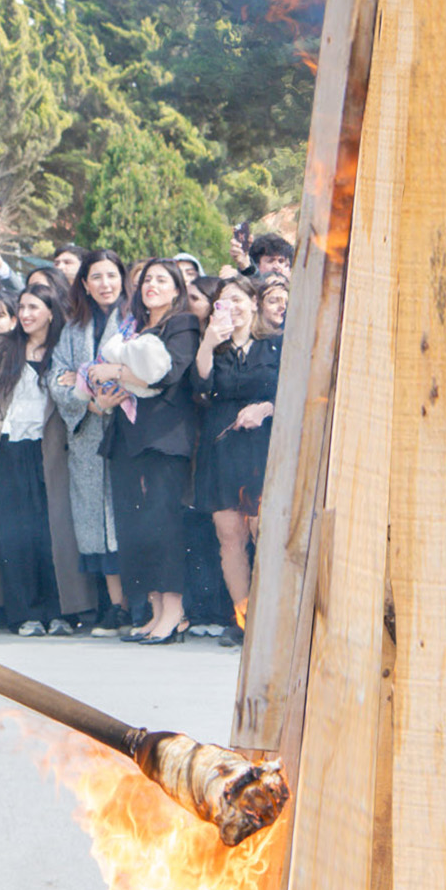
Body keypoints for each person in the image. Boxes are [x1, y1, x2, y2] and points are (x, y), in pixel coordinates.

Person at [0, 287, 95, 634]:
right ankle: (23, 614)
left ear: (51, 312)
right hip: (8, 447)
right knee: (14, 533)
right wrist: (0, 431)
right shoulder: (1, 346)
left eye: (33, 308)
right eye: (21, 307)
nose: (25, 314)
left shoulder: (62, 349)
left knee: (52, 531)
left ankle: (59, 612)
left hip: (51, 449)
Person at [102, 258, 204, 643]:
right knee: (138, 527)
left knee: (164, 523)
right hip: (127, 436)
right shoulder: (132, 326)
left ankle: (175, 612)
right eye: (147, 280)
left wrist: (113, 372)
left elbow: (168, 375)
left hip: (164, 436)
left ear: (177, 288)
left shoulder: (182, 324)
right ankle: (156, 609)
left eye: (162, 280)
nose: (152, 285)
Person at [192, 276, 278, 647]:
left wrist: (266, 407)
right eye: (224, 302)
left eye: (240, 299)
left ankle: (272, 618)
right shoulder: (214, 348)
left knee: (265, 532)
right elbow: (199, 389)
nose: (234, 307)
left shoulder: (276, 344)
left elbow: (295, 389)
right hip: (222, 447)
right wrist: (209, 343)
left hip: (264, 447)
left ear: (255, 303)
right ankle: (243, 618)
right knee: (230, 536)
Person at [50, 251, 129, 635]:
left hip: (127, 430)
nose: (104, 284)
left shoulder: (133, 321)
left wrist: (108, 396)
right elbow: (58, 377)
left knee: (124, 517)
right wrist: (88, 401)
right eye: (95, 277)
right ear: (84, 283)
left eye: (111, 275)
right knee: (96, 523)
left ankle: (134, 603)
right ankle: (115, 606)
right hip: (88, 431)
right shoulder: (72, 328)